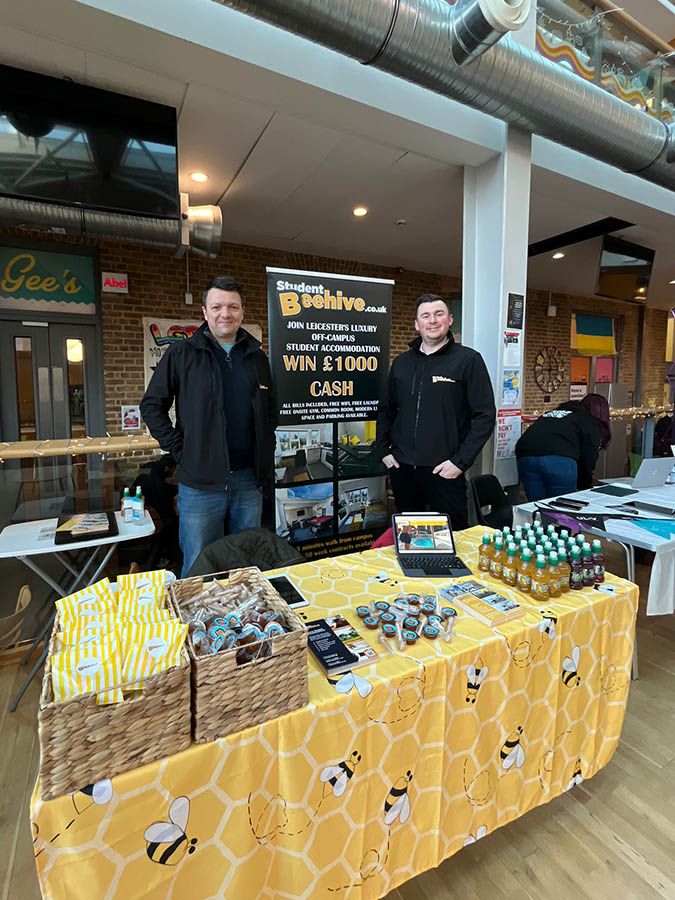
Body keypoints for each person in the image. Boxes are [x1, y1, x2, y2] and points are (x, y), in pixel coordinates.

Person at [140, 275, 277, 576]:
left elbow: (271, 412)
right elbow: (152, 406)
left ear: (242, 311)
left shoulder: (257, 359)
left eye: (232, 307)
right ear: (204, 312)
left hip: (248, 482)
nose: (225, 314)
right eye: (217, 307)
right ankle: (197, 622)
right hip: (200, 484)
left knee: (247, 564)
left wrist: (265, 453)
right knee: (199, 566)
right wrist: (180, 448)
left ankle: (244, 618)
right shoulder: (181, 354)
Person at [376, 294, 496, 531]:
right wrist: (383, 449)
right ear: (417, 324)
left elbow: (485, 415)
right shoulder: (402, 363)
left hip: (445, 471)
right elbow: (386, 409)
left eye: (439, 314)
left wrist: (460, 462)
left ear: (450, 320)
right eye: (426, 316)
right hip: (403, 470)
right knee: (410, 539)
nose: (432, 320)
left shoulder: (468, 360)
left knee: (453, 539)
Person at [515, 393, 611, 502]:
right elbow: (588, 458)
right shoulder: (588, 420)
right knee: (562, 508)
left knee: (537, 505)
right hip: (559, 460)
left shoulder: (555, 413)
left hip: (526, 456)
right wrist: (584, 486)